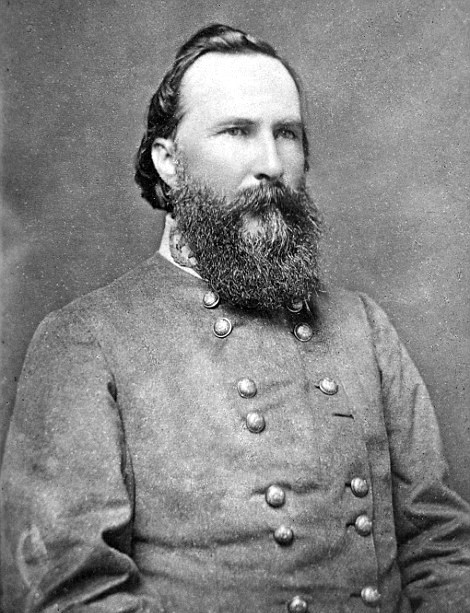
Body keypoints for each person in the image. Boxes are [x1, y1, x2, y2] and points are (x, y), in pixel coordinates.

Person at [1, 23, 470, 613]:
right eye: (237, 132)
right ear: (168, 161)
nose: (271, 162)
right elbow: (68, 592)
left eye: (288, 134)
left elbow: (441, 550)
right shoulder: (85, 341)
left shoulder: (363, 327)